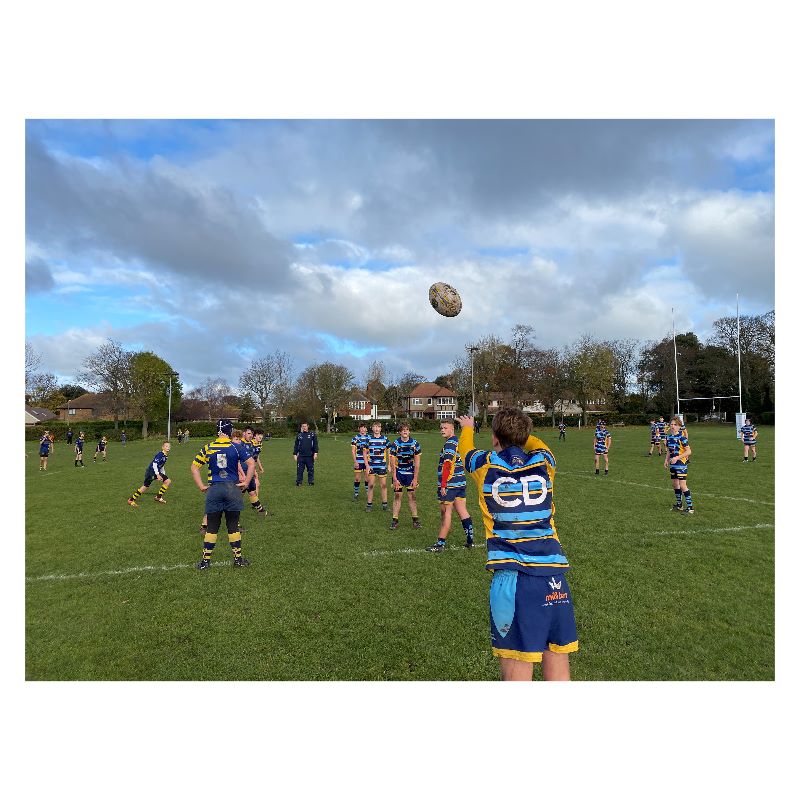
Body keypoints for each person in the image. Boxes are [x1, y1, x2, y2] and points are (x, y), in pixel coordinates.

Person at [457, 410, 578, 681]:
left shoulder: (485, 464)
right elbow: (537, 444)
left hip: (514, 581)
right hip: (555, 578)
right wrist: (518, 435)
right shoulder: (545, 462)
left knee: (516, 674)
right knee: (558, 665)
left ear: (495, 437)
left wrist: (467, 427)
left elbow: (464, 449)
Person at [191, 419, 255, 569]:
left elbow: (194, 468)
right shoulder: (236, 446)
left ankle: (205, 562)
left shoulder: (208, 447)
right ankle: (238, 560)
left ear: (217, 431)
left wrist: (201, 486)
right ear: (230, 431)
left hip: (214, 489)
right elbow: (251, 464)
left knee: (212, 526)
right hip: (232, 489)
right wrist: (246, 482)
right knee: (233, 525)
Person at [426, 419, 474, 551]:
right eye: (441, 427)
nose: (442, 430)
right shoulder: (458, 441)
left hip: (450, 485)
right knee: (462, 511)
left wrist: (443, 485)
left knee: (446, 513)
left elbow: (447, 465)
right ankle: (470, 541)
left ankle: (440, 544)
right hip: (460, 483)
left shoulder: (450, 444)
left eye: (445, 428)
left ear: (452, 429)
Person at [388, 423, 422, 530]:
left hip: (410, 473)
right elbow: (393, 464)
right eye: (403, 430)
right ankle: (395, 520)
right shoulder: (395, 444)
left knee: (412, 496)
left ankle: (415, 520)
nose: (405, 431)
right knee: (397, 496)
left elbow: (417, 463)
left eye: (407, 429)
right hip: (399, 473)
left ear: (409, 431)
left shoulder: (415, 444)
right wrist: (394, 478)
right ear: (399, 432)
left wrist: (415, 478)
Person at [127, 441, 172, 506]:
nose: (168, 447)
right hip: (151, 472)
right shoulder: (160, 454)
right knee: (145, 486)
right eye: (166, 446)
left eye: (169, 446)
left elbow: (162, 465)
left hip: (154, 472)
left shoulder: (166, 455)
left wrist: (163, 474)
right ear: (162, 447)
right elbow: (154, 464)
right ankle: (131, 500)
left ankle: (158, 497)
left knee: (166, 481)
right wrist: (157, 474)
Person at [665, 416, 694, 514]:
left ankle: (690, 508)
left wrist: (677, 457)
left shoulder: (682, 438)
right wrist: (666, 460)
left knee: (682, 485)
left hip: (680, 464)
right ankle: (679, 505)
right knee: (675, 484)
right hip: (672, 465)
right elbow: (669, 450)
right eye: (671, 424)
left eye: (675, 425)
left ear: (679, 427)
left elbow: (689, 451)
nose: (673, 426)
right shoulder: (669, 438)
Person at [362, 421, 390, 511]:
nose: (377, 429)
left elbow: (390, 453)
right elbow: (364, 453)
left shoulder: (385, 439)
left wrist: (389, 465)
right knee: (370, 485)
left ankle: (385, 505)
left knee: (384, 485)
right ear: (372, 428)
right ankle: (369, 505)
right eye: (375, 427)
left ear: (381, 428)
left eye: (378, 427)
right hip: (372, 466)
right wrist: (367, 466)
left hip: (382, 466)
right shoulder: (368, 439)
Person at [241, 425, 267, 514]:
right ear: (243, 433)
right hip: (244, 471)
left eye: (251, 433)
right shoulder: (242, 443)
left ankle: (260, 510)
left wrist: (257, 468)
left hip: (249, 470)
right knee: (247, 489)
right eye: (249, 433)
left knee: (251, 490)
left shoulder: (252, 444)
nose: (251, 435)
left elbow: (254, 458)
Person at [350, 422, 370, 501]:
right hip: (358, 461)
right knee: (357, 478)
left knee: (367, 478)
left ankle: (368, 494)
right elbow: (353, 451)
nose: (362, 429)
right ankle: (356, 494)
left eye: (364, 427)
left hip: (367, 462)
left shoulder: (369, 438)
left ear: (366, 429)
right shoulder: (355, 438)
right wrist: (355, 461)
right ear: (359, 429)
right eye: (361, 427)